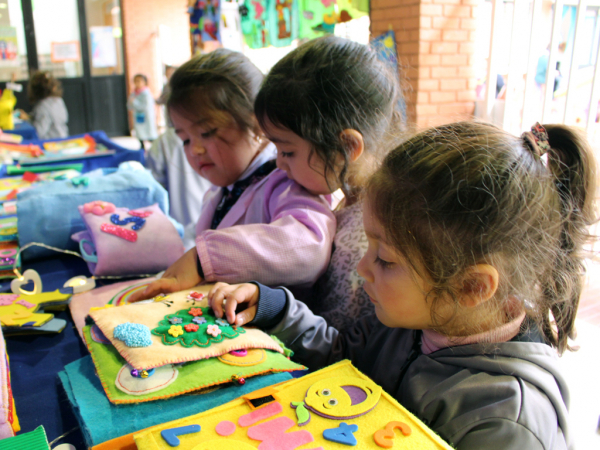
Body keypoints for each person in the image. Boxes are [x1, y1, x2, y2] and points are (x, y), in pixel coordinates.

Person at [208, 121, 597, 449]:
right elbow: (342, 358)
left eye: (386, 259)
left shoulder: (505, 421)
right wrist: (276, 306)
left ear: (472, 287)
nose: (363, 267)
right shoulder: (410, 321)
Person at [129, 48, 336, 302]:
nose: (195, 149)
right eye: (184, 139)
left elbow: (309, 248)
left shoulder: (285, 180)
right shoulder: (222, 191)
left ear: (256, 122)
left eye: (206, 132)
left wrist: (203, 260)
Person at [254, 35, 404, 329]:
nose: (280, 164)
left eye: (288, 151)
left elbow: (347, 337)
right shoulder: (350, 202)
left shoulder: (373, 234)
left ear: (347, 147)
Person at [146, 127, 212, 249]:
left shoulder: (164, 142)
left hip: (184, 238)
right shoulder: (163, 143)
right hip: (185, 240)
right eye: (186, 141)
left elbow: (153, 192)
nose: (194, 150)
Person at [25, 71, 69, 139]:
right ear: (53, 87)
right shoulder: (58, 100)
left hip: (51, 143)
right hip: (63, 137)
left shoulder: (42, 106)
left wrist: (28, 121)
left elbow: (38, 131)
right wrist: (29, 117)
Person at [127, 73, 158, 149]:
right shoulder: (134, 93)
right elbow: (129, 104)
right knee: (140, 135)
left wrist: (134, 102)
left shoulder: (146, 94)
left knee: (149, 135)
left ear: (144, 82)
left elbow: (143, 106)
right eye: (135, 81)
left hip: (146, 117)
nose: (137, 83)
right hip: (138, 116)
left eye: (139, 81)